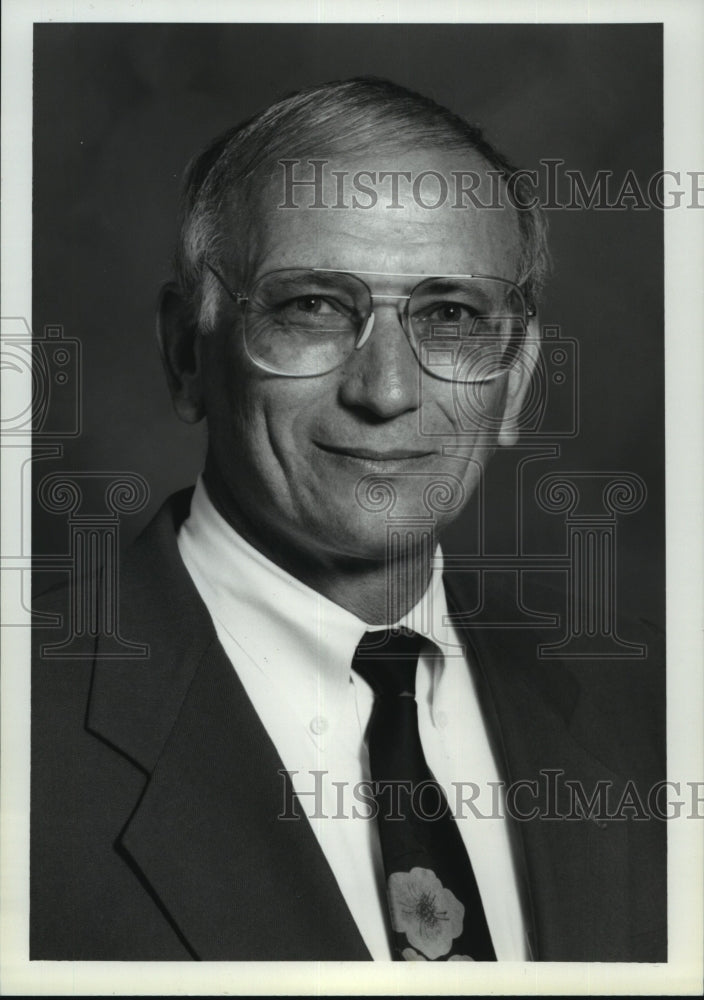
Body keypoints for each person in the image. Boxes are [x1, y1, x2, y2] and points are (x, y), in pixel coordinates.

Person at [31, 77, 665, 962]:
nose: (387, 392)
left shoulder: (658, 708)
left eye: (449, 316)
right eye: (314, 308)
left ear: (516, 382)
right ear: (186, 354)